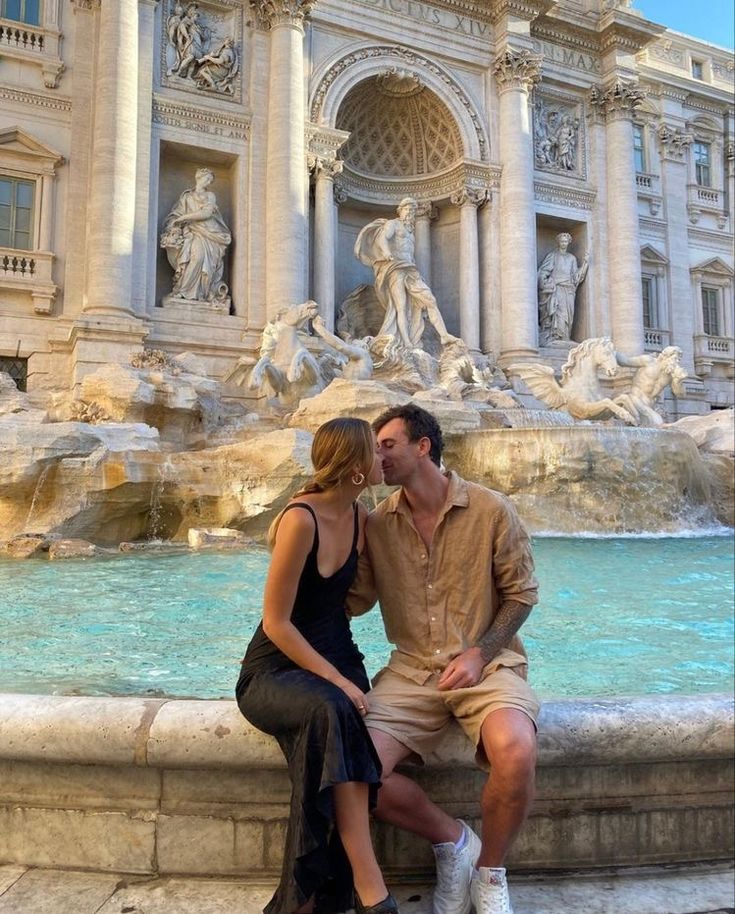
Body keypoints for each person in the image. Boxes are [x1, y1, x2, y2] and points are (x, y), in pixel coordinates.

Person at [347, 404, 539, 914]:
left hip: (489, 667)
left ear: (422, 446)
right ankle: (454, 842)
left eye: (387, 445)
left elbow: (521, 595)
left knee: (516, 752)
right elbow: (356, 599)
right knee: (354, 773)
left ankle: (490, 872)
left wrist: (480, 653)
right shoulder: (376, 523)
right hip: (410, 671)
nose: (377, 456)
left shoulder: (492, 509)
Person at [236, 418, 397, 914]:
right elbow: (277, 622)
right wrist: (336, 681)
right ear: (353, 467)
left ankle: (313, 897)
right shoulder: (300, 519)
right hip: (275, 668)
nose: (382, 459)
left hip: (338, 654)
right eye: (375, 450)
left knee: (338, 717)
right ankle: (371, 889)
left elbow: (354, 601)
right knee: (333, 709)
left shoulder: (361, 519)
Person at [354, 198, 456, 351]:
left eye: (412, 210)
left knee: (430, 300)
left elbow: (410, 254)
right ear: (400, 210)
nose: (410, 213)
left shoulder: (411, 234)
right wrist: (387, 252)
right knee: (401, 307)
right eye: (407, 209)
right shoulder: (393, 224)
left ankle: (444, 335)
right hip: (395, 269)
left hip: (410, 270)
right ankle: (407, 342)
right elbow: (383, 238)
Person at [160, 167, 231, 303]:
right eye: (207, 179)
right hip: (192, 232)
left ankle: (201, 294)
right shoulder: (187, 196)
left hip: (210, 233)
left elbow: (207, 214)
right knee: (196, 258)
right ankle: (183, 290)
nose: (209, 182)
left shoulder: (210, 196)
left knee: (203, 262)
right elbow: (176, 214)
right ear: (199, 178)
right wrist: (176, 222)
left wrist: (184, 218)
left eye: (210, 180)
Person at [614, 345, 687, 427]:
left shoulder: (671, 375)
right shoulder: (648, 361)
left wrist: (679, 380)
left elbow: (680, 394)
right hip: (634, 400)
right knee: (658, 422)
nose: (677, 362)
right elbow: (625, 361)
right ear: (666, 356)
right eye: (675, 359)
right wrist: (611, 353)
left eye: (679, 360)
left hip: (649, 406)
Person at [537, 232, 588, 346]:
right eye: (562, 241)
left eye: (565, 241)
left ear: (568, 243)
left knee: (567, 315)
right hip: (557, 288)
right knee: (558, 312)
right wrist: (545, 284)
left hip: (569, 289)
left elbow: (575, 276)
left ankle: (565, 336)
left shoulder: (572, 258)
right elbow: (543, 271)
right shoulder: (553, 255)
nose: (563, 243)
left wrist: (585, 263)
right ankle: (556, 336)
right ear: (558, 242)